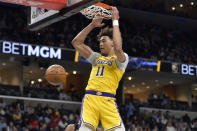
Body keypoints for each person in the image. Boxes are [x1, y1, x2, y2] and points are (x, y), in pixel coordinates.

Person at [72, 6, 129, 131]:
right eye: (100, 42)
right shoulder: (96, 58)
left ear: (113, 42)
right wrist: (92, 25)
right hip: (90, 100)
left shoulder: (121, 59)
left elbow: (118, 49)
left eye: (104, 41)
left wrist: (115, 21)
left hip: (108, 101)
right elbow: (76, 42)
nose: (100, 44)